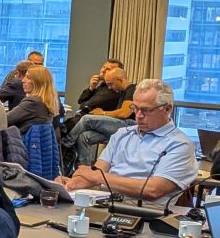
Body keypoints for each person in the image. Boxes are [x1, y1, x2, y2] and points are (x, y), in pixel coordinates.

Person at [60, 79, 197, 208]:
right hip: (106, 205)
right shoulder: (122, 134)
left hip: (147, 213)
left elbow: (153, 189)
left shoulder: (180, 144)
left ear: (167, 109)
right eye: (135, 108)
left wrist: (99, 177)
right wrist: (70, 184)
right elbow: (96, 172)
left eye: (146, 110)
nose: (138, 115)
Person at [62, 65, 135, 169]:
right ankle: (84, 169)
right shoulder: (121, 93)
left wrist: (103, 113)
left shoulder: (132, 89)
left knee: (87, 119)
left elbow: (124, 113)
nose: (109, 88)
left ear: (120, 79)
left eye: (111, 84)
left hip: (129, 127)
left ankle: (66, 143)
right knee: (84, 137)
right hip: (118, 127)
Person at [7, 64, 61, 134]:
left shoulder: (32, 102)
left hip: (21, 140)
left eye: (28, 77)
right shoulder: (47, 101)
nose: (23, 80)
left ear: (38, 82)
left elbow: (5, 120)